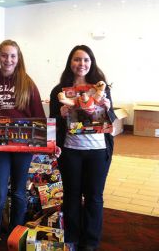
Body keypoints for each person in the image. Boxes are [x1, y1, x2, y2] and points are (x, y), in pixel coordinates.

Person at [0, 39, 45, 250]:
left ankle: (15, 237)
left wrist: (47, 144)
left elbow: (38, 117)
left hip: (22, 148)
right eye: (4, 55)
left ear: (18, 58)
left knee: (19, 193)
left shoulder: (27, 82)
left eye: (13, 56)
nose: (8, 60)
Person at [49, 45, 115, 251]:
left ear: (91, 63)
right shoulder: (59, 91)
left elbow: (110, 119)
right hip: (71, 150)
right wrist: (60, 114)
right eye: (77, 60)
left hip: (97, 150)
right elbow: (53, 122)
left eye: (86, 60)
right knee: (71, 196)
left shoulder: (101, 89)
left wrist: (108, 107)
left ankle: (91, 242)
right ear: (71, 62)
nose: (82, 64)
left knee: (95, 197)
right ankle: (73, 238)